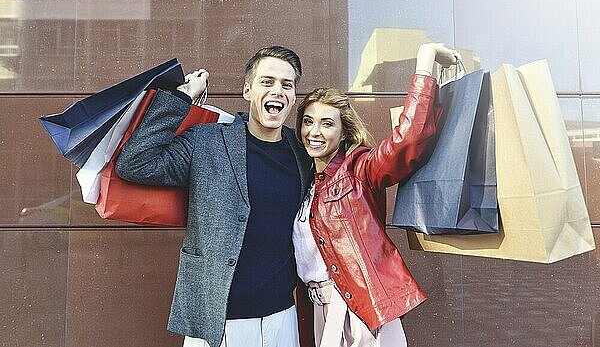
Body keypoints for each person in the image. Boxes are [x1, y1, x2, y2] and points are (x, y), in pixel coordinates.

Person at [115, 46, 313, 347]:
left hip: (281, 317)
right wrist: (183, 96)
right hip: (216, 321)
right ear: (247, 90)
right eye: (267, 81)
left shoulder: (301, 152)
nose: (278, 90)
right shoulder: (207, 141)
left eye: (287, 85)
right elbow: (135, 163)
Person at [292, 43, 459, 347]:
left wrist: (425, 61)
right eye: (308, 121)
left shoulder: (360, 169)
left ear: (344, 132)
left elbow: (407, 140)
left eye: (327, 123)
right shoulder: (305, 181)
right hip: (318, 309)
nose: (314, 131)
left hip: (360, 310)